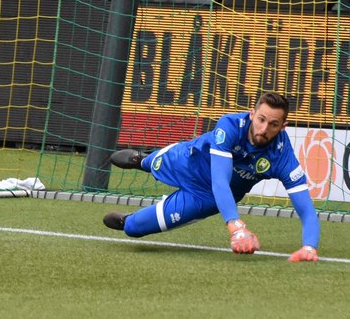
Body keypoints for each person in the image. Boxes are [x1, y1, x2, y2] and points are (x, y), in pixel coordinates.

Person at [103, 92, 320, 262]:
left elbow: (306, 210)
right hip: (189, 162)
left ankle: (129, 219)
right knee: (151, 163)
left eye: (273, 124)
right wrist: (236, 227)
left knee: (134, 229)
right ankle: (140, 161)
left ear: (283, 127)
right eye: (261, 119)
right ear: (252, 114)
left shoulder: (283, 157)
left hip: (206, 198)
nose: (263, 129)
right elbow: (220, 180)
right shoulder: (230, 125)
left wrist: (309, 247)